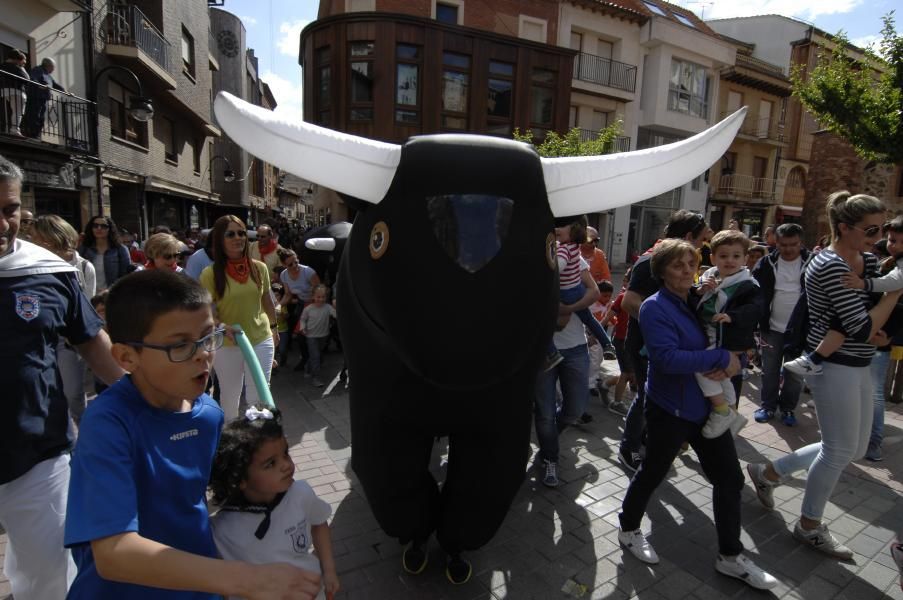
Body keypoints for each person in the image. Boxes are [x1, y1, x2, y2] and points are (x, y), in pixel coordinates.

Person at [63, 270, 322, 599]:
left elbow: (204, 494)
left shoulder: (208, 414)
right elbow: (114, 553)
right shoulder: (108, 424)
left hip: (199, 583)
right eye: (180, 346)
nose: (203, 355)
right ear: (127, 357)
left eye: (208, 337)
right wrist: (245, 579)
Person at [746, 192, 902, 559]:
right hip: (835, 367)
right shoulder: (828, 265)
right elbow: (862, 326)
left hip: (861, 362)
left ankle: (768, 473)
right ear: (845, 228)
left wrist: (886, 321)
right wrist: (894, 295)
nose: (879, 237)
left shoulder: (866, 258)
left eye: (882, 228)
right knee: (838, 450)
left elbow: (872, 315)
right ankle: (809, 525)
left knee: (856, 448)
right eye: (872, 229)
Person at [616, 239, 777, 590]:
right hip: (669, 409)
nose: (688, 270)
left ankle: (731, 556)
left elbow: (726, 329)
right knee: (653, 472)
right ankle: (628, 528)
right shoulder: (655, 307)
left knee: (730, 480)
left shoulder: (695, 299)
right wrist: (720, 360)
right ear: (661, 272)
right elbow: (666, 359)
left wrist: (736, 351)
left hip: (706, 409)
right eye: (678, 265)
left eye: (691, 263)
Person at [0, 155, 123, 600]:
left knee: (51, 573)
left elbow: (90, 340)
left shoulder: (48, 270)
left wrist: (143, 394)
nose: (3, 223)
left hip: (39, 453)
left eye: (10, 209)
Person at [209, 406, 340, 600]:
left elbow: (319, 523)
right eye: (270, 463)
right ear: (240, 478)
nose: (286, 465)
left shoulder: (300, 494)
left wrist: (328, 570)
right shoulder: (221, 529)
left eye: (285, 453)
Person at [618, 210, 710, 474]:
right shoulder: (652, 260)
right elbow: (629, 301)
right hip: (646, 344)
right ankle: (628, 447)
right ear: (690, 235)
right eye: (702, 239)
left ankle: (647, 439)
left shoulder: (676, 259)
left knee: (655, 395)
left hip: (661, 345)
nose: (702, 246)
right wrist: (665, 326)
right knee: (647, 395)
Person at [785, 216, 903, 377]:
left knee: (844, 323)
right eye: (892, 240)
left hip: (891, 316)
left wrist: (863, 284)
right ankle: (814, 359)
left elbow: (895, 282)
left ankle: (814, 359)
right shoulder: (872, 260)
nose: (895, 246)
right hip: (855, 357)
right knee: (846, 321)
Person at [200, 215, 279, 421]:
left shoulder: (259, 268)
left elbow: (267, 301)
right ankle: (231, 440)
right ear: (219, 239)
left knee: (259, 395)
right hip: (228, 343)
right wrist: (222, 326)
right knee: (229, 396)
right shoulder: (209, 274)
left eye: (242, 233)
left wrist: (274, 328)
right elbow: (207, 312)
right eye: (231, 234)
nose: (238, 238)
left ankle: (259, 441)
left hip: (261, 339)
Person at [535, 259, 601, 488]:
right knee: (544, 414)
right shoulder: (532, 258)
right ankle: (550, 457)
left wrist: (568, 308)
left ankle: (549, 437)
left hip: (575, 349)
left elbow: (595, 291)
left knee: (575, 408)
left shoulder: (574, 258)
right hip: (542, 350)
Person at [691, 230, 761, 437]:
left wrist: (733, 316)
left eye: (736, 256)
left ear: (745, 259)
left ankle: (722, 411)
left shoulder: (748, 284)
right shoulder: (708, 277)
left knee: (701, 368)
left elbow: (756, 309)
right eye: (723, 256)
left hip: (728, 340)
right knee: (722, 379)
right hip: (710, 335)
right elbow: (695, 303)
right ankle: (732, 412)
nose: (730, 260)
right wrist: (699, 291)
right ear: (712, 258)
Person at [30, 214, 97, 426]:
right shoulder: (30, 266)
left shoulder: (84, 267)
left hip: (68, 341)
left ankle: (82, 439)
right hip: (40, 340)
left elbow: (87, 307)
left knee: (74, 395)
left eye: (36, 238)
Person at [751, 223, 810, 425]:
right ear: (776, 242)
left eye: (793, 244)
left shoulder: (813, 263)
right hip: (771, 328)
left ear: (800, 243)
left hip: (799, 331)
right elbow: (756, 294)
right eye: (783, 244)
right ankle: (767, 406)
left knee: (794, 374)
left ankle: (788, 409)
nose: (788, 249)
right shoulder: (765, 263)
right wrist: (757, 322)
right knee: (770, 370)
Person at [547, 215, 616, 368]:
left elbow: (560, 266)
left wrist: (548, 269)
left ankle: (552, 354)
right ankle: (607, 344)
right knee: (590, 319)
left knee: (543, 324)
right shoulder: (573, 247)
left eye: (561, 226)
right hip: (577, 288)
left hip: (566, 293)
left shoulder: (563, 249)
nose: (557, 229)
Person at [277, 248, 320, 368]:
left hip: (314, 304)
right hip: (302, 304)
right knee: (300, 335)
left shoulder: (308, 272)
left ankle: (315, 359)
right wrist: (279, 305)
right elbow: (288, 294)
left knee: (310, 334)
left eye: (296, 261)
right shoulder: (284, 275)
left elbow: (320, 290)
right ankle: (306, 358)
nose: (295, 265)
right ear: (284, 265)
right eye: (290, 264)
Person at [79, 215, 131, 292]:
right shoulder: (85, 248)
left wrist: (110, 290)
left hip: (111, 294)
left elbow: (125, 275)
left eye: (104, 226)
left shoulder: (120, 249)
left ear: (110, 229)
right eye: (95, 226)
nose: (99, 228)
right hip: (88, 294)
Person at [299, 284, 337, 387]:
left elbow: (336, 315)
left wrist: (336, 306)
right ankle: (316, 378)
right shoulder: (308, 309)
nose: (321, 299)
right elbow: (303, 319)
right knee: (316, 356)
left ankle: (307, 366)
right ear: (313, 297)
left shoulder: (328, 307)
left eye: (323, 297)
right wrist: (302, 327)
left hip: (324, 335)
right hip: (311, 336)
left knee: (317, 354)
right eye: (318, 297)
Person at [22, 58, 64, 139]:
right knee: (34, 116)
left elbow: (55, 85)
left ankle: (36, 135)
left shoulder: (48, 75)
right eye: (53, 67)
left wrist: (66, 91)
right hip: (35, 98)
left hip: (43, 99)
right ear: (48, 66)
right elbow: (32, 78)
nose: (53, 69)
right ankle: (31, 134)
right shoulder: (38, 70)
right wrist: (40, 85)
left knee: (41, 118)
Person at [0, 49, 28, 136]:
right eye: (23, 61)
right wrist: (22, 68)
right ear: (17, 59)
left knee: (8, 110)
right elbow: (27, 78)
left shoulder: (2, 66)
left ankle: (6, 129)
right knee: (17, 111)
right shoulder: (16, 67)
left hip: (4, 90)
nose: (24, 63)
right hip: (17, 91)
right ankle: (14, 130)